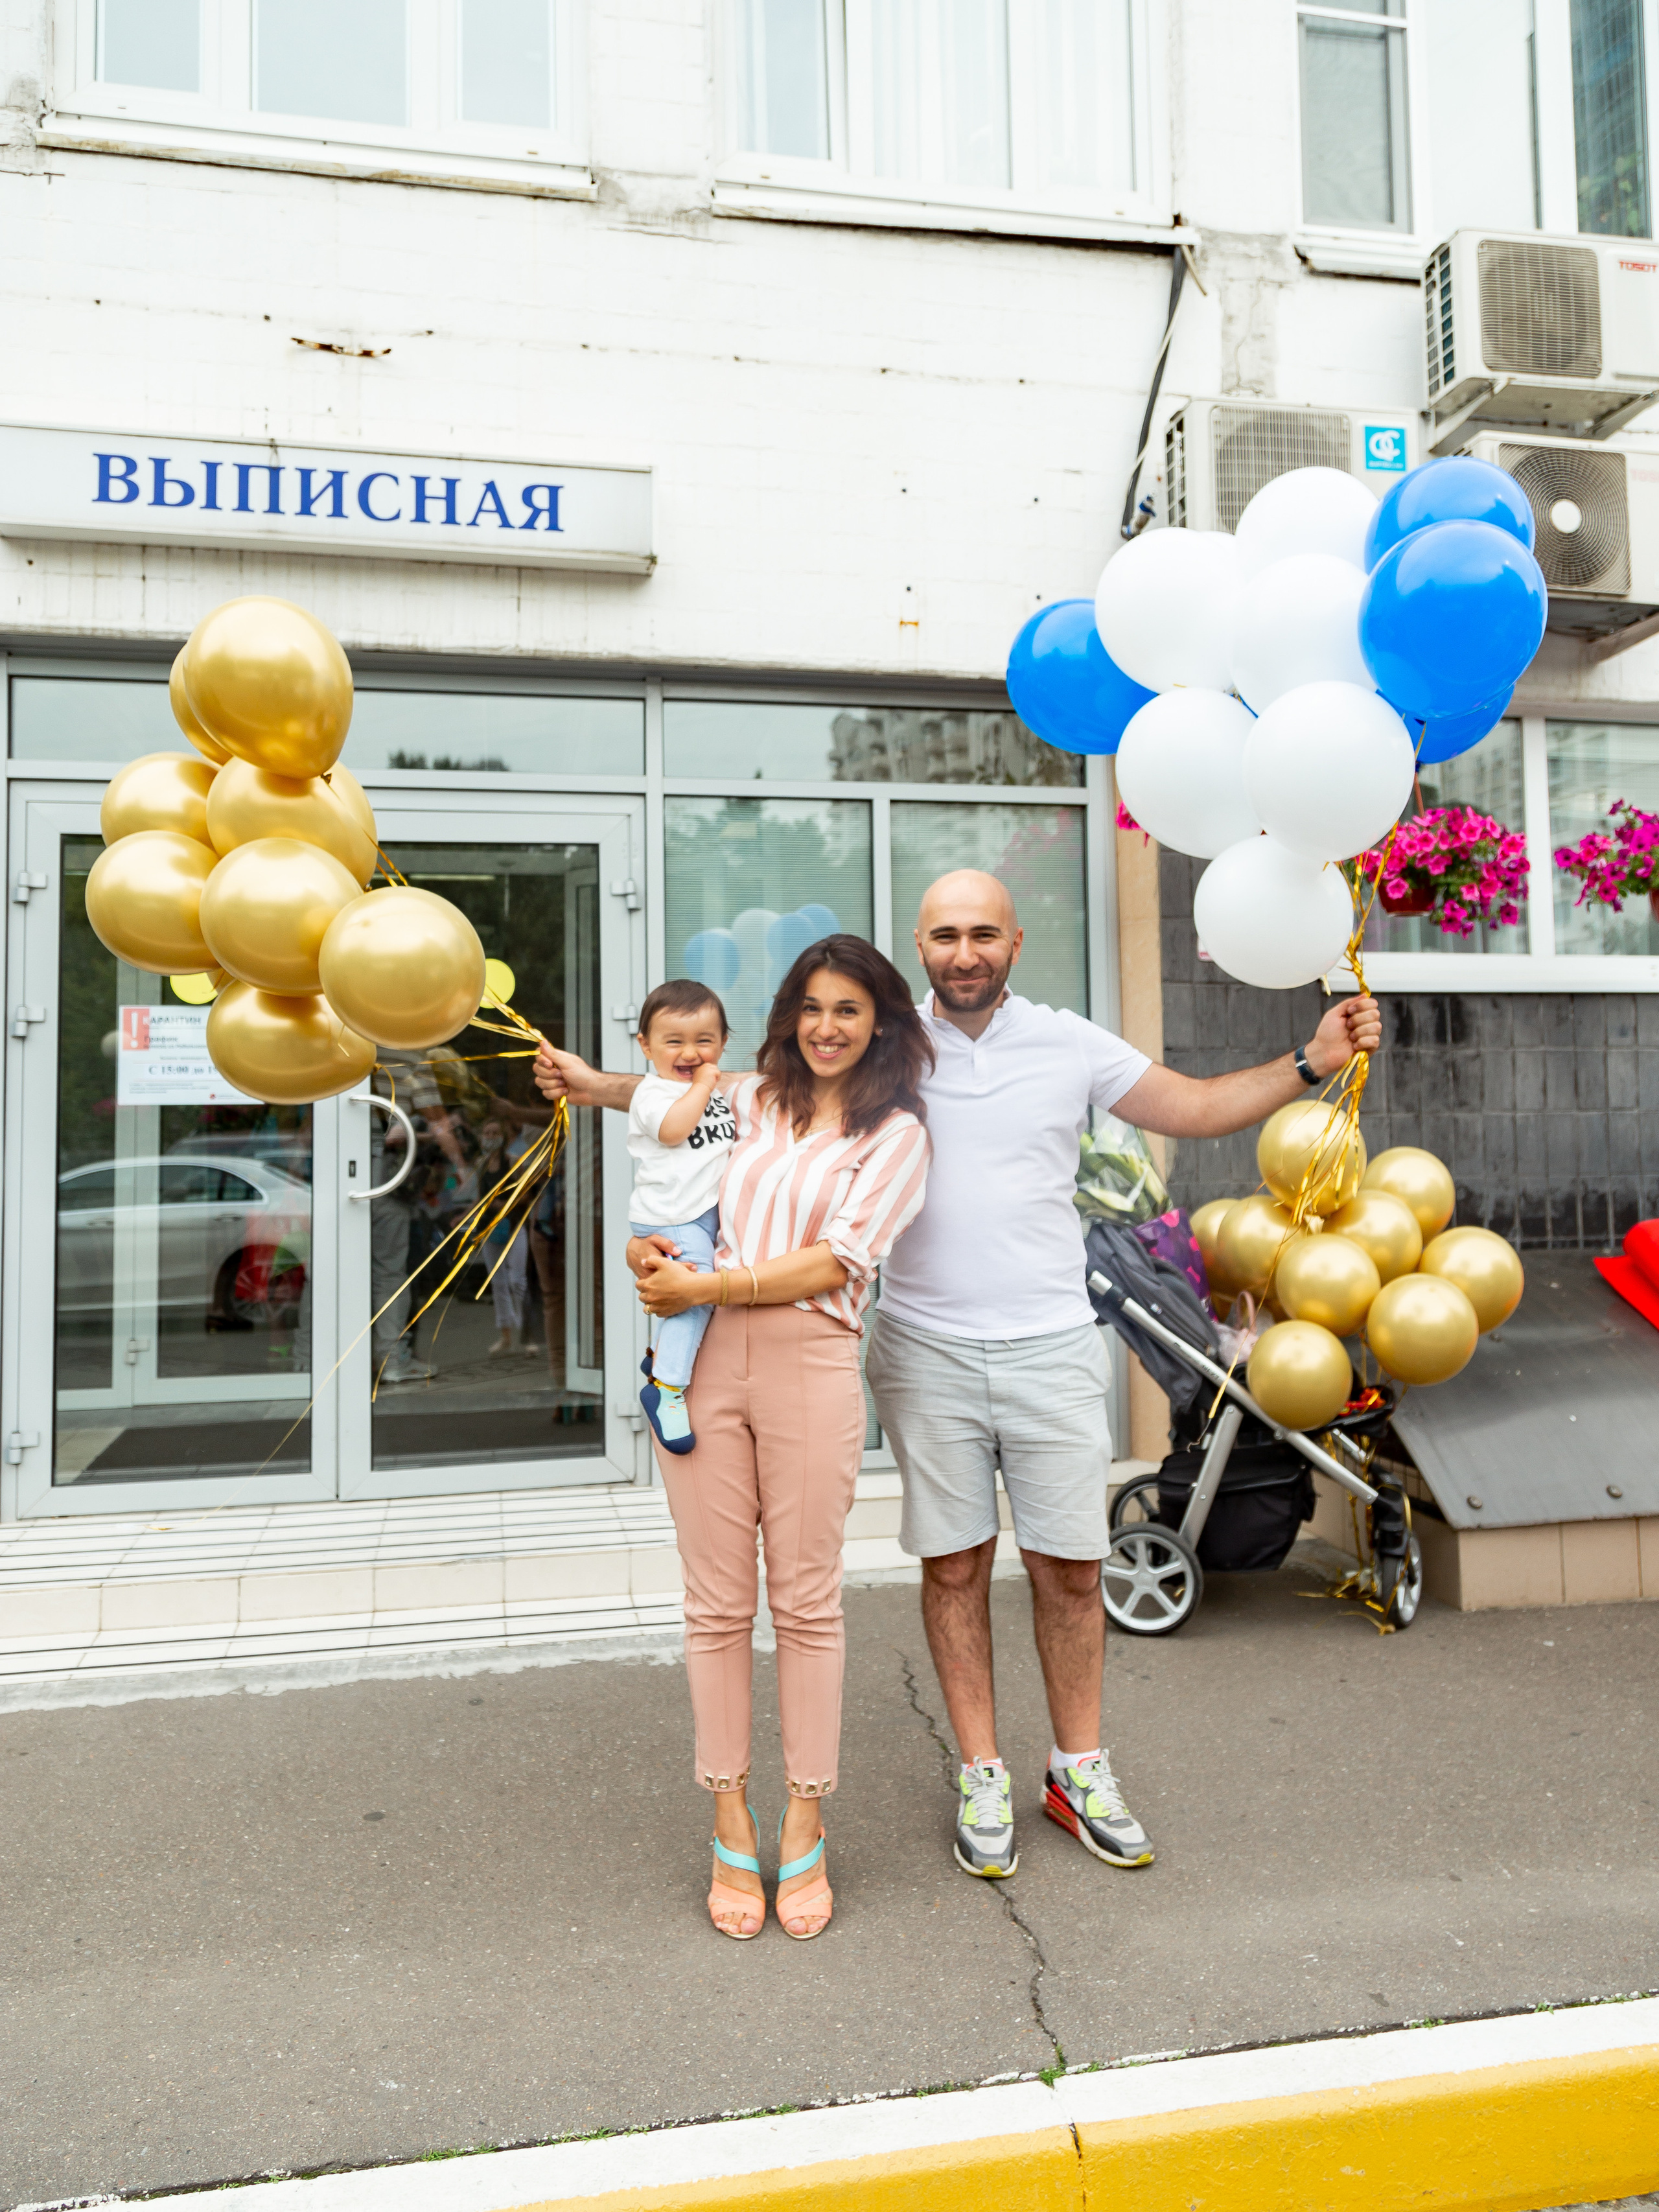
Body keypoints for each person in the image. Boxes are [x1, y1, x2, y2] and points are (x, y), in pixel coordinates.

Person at [864, 870, 1381, 1884]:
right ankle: (981, 1769)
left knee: (1068, 1566)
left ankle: (1076, 1769)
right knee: (955, 1564)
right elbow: (762, 1110)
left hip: (1053, 1346)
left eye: (984, 935)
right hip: (922, 1349)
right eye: (944, 936)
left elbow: (1189, 1105)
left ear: (1017, 942)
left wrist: (1309, 1061)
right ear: (918, 945)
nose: (964, 953)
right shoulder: (883, 1047)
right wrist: (627, 1095)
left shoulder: (1067, 1040)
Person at [534, 937, 931, 1942]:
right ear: (789, 1016)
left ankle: (804, 1819)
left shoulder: (896, 1136)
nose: (827, 1026)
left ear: (880, 1022)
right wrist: (643, 1241)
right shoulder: (748, 1099)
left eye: (848, 1009)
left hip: (808, 1364)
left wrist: (707, 1282)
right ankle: (727, 1814)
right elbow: (662, 1105)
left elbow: (837, 1262)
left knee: (805, 1602)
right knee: (716, 1603)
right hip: (705, 1360)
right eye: (811, 1006)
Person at [625, 981, 737, 1454]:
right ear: (646, 1046)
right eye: (674, 1041)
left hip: (701, 1214)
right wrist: (708, 1082)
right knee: (695, 1294)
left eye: (704, 1040)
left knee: (701, 1291)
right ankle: (667, 1389)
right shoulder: (653, 1094)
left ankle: (658, 1358)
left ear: (723, 1043)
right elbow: (674, 1131)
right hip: (670, 1217)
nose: (690, 1052)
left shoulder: (712, 1091)